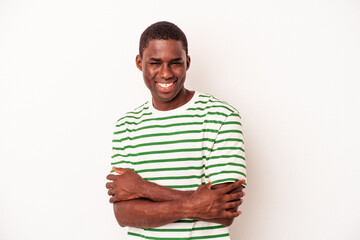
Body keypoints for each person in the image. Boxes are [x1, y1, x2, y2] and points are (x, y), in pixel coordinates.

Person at [106, 21, 247, 240]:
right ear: (139, 62)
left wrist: (143, 188)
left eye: (175, 63)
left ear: (187, 62)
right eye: (155, 63)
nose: (165, 73)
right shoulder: (127, 125)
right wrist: (195, 205)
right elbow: (123, 214)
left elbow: (223, 211)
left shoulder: (221, 116)